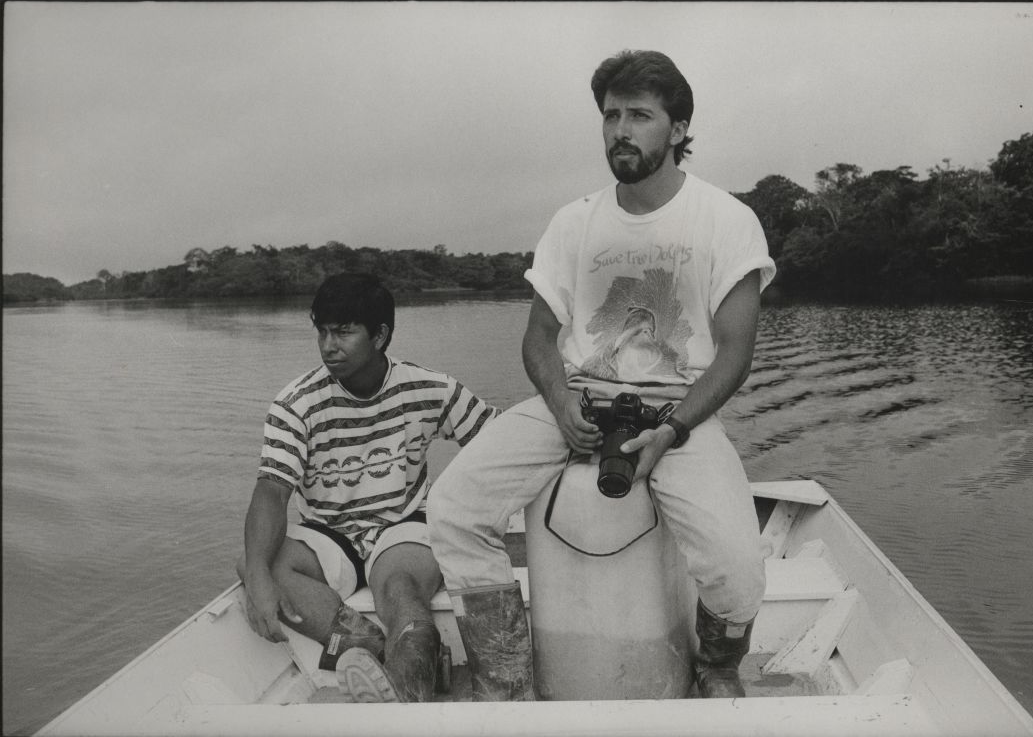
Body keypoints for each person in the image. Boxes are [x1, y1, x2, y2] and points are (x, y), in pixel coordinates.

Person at [428, 49, 776, 701]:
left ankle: (716, 666)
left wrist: (672, 431)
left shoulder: (725, 221)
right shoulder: (573, 222)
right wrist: (559, 401)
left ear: (677, 129)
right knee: (452, 507)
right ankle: (506, 676)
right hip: (579, 400)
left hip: (681, 411)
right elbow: (538, 334)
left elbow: (733, 352)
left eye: (639, 115)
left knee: (735, 569)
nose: (619, 130)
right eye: (611, 115)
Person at [237, 272, 498, 703]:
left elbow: (497, 440)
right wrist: (260, 578)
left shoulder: (429, 388)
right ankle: (374, 651)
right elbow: (271, 492)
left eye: (343, 332)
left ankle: (404, 679)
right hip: (329, 531)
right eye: (321, 331)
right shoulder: (296, 404)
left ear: (380, 335)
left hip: (402, 523)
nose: (328, 346)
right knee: (253, 564)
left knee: (398, 587)